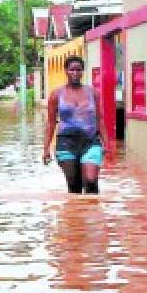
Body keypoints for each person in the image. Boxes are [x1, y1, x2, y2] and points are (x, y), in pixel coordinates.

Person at [43, 56, 103, 194]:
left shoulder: (92, 92)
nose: (75, 73)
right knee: (74, 185)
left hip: (90, 141)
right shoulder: (56, 94)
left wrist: (108, 145)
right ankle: (75, 214)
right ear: (66, 71)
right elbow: (51, 123)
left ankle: (92, 213)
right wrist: (46, 148)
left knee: (91, 181)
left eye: (79, 70)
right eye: (72, 70)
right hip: (66, 143)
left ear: (83, 72)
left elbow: (100, 119)